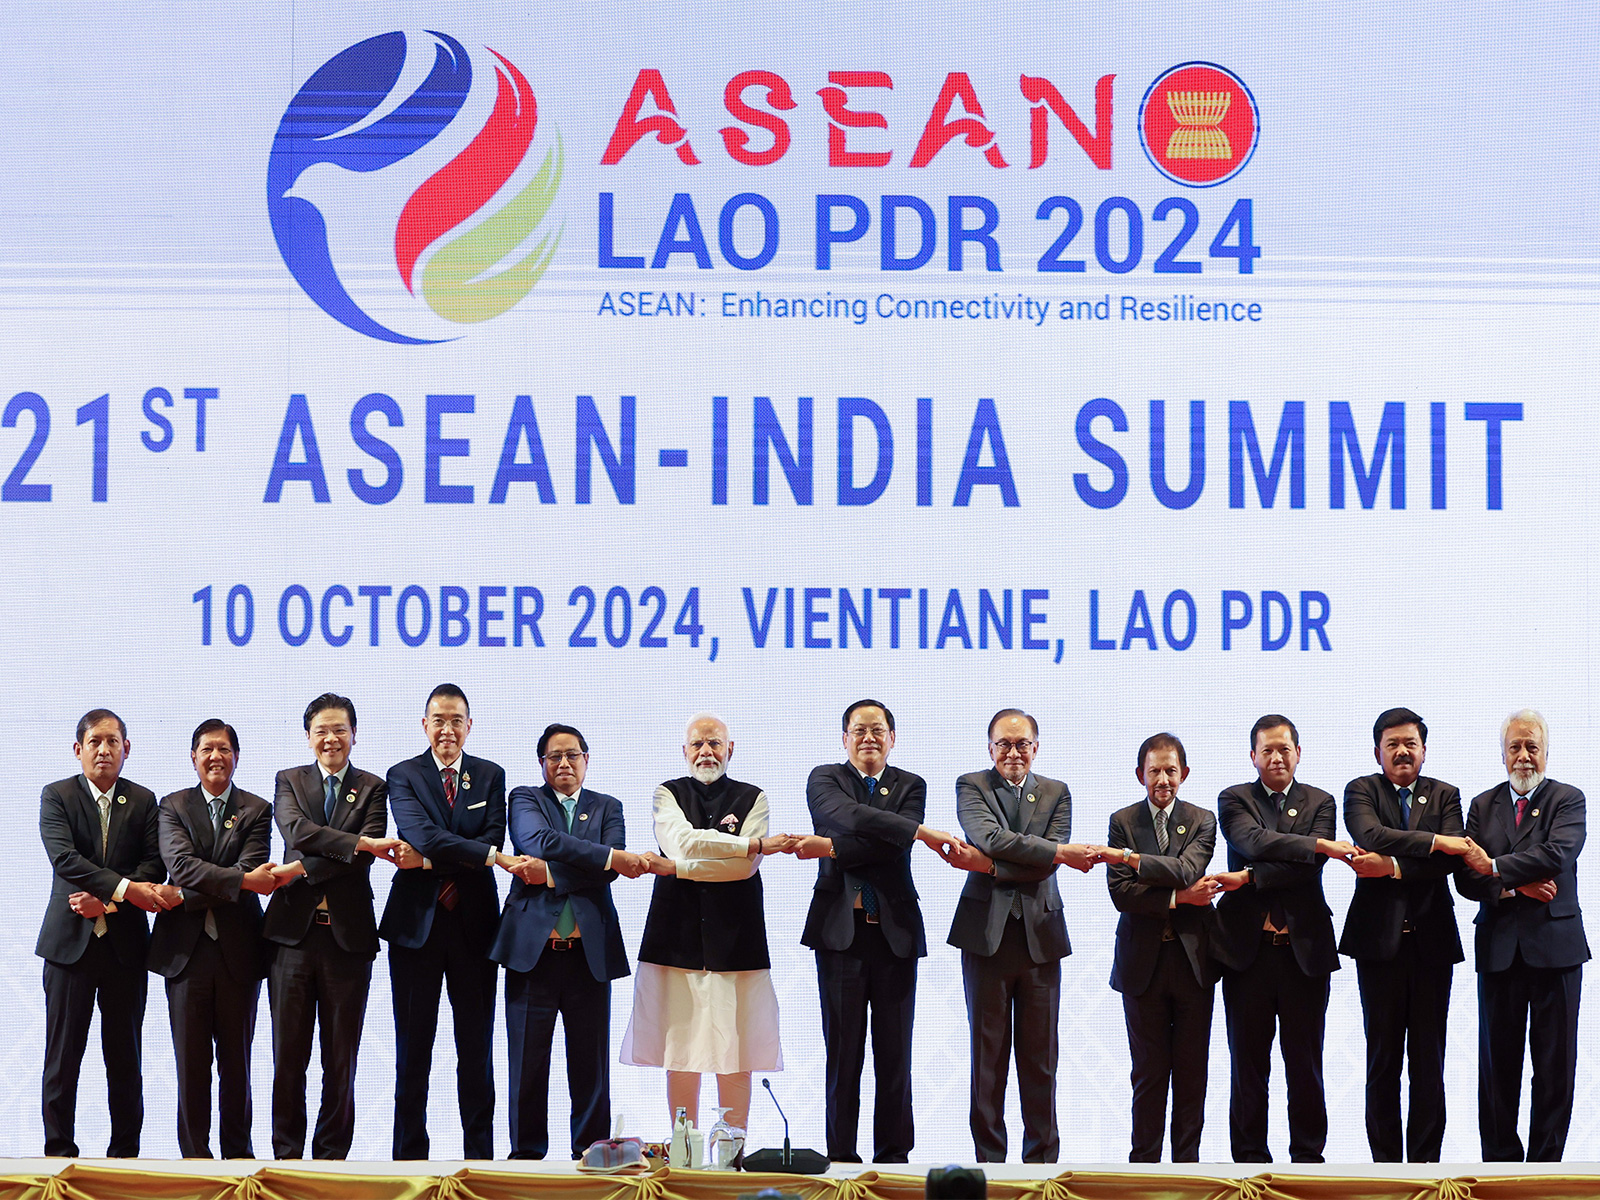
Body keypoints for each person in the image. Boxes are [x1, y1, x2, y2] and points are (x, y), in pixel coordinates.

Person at [795, 698, 959, 1164]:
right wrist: (917, 832)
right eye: (859, 730)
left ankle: (893, 1159)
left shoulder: (911, 784)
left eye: (878, 730)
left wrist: (832, 848)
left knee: (895, 1056)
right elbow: (846, 817)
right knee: (842, 1055)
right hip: (839, 934)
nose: (869, 738)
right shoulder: (825, 779)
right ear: (844, 738)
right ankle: (841, 1159)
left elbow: (891, 849)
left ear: (892, 738)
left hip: (895, 935)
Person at [621, 712, 796, 1137]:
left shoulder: (754, 797)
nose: (706, 752)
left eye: (715, 743)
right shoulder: (668, 793)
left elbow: (741, 869)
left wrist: (678, 868)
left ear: (730, 749)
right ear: (684, 751)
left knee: (737, 1050)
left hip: (737, 939)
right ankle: (685, 1149)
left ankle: (732, 1152)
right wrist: (751, 844)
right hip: (675, 936)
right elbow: (680, 842)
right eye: (697, 744)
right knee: (680, 1050)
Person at [489, 723, 650, 1159]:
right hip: (533, 954)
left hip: (587, 954)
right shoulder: (525, 798)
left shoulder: (608, 806)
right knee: (526, 1064)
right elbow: (538, 840)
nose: (564, 763)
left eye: (572, 755)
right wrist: (607, 857)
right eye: (554, 756)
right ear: (542, 763)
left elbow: (609, 872)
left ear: (586, 760)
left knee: (590, 1066)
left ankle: (590, 1154)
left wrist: (550, 872)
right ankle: (526, 1157)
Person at [940, 708, 1081, 1163]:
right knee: (988, 1059)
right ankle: (990, 1165)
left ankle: (1042, 1164)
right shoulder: (971, 786)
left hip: (1041, 936)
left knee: (1041, 1060)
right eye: (1004, 744)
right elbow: (990, 838)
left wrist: (991, 866)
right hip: (986, 937)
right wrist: (1052, 852)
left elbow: (1045, 863)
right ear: (990, 749)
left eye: (1022, 744)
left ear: (1036, 748)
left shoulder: (1057, 792)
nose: (1013, 752)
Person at [1213, 714, 1355, 1163]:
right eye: (1267, 750)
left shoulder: (1321, 801)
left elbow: (1307, 869)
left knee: (1305, 1064)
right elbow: (1251, 841)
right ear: (1253, 756)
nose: (1277, 757)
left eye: (1284, 749)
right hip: (1246, 954)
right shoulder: (1234, 798)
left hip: (1304, 952)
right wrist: (1316, 844)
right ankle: (1249, 1161)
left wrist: (1251, 877)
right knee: (1248, 1065)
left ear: (1298, 753)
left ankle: (1309, 1161)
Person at [263, 692, 399, 1160]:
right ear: (308, 737)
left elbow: (365, 857)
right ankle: (286, 1155)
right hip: (291, 937)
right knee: (288, 1056)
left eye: (340, 729)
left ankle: (332, 1160)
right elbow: (295, 831)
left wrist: (302, 867)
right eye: (321, 730)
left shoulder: (374, 787)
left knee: (341, 1059)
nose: (331, 738)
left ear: (354, 735)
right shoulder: (288, 780)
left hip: (348, 938)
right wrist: (356, 842)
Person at [38, 708, 178, 1157]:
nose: (104, 749)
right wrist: (124, 888)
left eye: (112, 741)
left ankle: (125, 1157)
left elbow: (153, 867)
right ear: (78, 749)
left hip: (124, 947)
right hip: (68, 946)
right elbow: (65, 859)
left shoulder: (144, 800)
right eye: (95, 741)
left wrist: (110, 901)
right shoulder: (57, 796)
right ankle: (59, 1153)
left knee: (125, 1058)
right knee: (62, 1058)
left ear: (126, 749)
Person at [379, 683, 511, 1160]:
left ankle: (480, 1161)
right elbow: (420, 834)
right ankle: (408, 1160)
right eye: (439, 720)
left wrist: (431, 859)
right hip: (416, 929)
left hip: (475, 928)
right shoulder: (403, 774)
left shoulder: (490, 775)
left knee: (476, 1051)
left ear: (469, 726)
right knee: (413, 1051)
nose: (447, 730)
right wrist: (474, 854)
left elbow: (492, 839)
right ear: (425, 725)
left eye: (456, 720)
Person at [1456, 709, 1589, 1161]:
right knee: (1497, 1066)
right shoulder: (1481, 806)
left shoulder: (1568, 799)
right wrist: (1515, 885)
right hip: (1499, 948)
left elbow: (1558, 853)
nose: (1524, 755)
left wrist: (1494, 866)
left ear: (1546, 752)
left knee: (1555, 1064)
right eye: (1515, 746)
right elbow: (1465, 878)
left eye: (1532, 746)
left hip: (1557, 948)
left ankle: (1545, 1169)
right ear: (1502, 754)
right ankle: (1500, 1168)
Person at [1340, 707, 1472, 1162]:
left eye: (1410, 743)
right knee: (1382, 1060)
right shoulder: (1361, 790)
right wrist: (1433, 841)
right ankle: (1384, 1169)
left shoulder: (1446, 794)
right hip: (1378, 945)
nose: (1402, 751)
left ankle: (1425, 1167)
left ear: (1424, 750)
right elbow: (1371, 835)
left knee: (1429, 1061)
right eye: (1392, 744)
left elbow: (1451, 861)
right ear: (1377, 752)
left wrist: (1392, 867)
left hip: (1432, 941)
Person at [146, 718, 279, 1158]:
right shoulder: (172, 806)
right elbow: (181, 865)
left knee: (237, 1064)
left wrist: (185, 895)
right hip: (184, 954)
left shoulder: (257, 809)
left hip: (239, 952)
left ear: (236, 757)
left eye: (223, 749)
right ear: (193, 757)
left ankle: (238, 1158)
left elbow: (252, 869)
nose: (215, 756)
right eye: (207, 749)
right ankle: (194, 1159)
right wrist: (237, 881)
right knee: (191, 1064)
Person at [1101, 732, 1234, 1163]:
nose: (1163, 779)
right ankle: (1143, 1167)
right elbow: (1121, 893)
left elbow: (1188, 868)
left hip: (1194, 962)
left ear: (1184, 774)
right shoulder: (1122, 821)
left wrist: (1132, 860)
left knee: (1192, 1073)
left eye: (1170, 771)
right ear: (1140, 774)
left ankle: (1188, 1168)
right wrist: (1180, 898)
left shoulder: (1202, 819)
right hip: (1142, 965)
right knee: (1148, 1072)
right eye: (1154, 770)